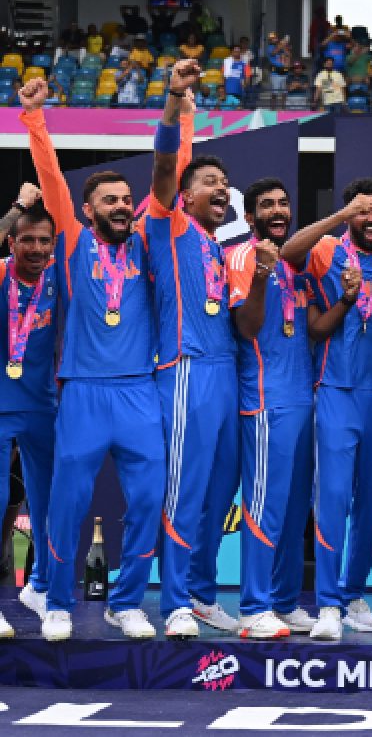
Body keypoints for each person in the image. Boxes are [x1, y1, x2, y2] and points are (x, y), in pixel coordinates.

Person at [20, 79, 165, 641]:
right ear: (87, 210)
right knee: (68, 501)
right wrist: (35, 118)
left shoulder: (149, 244)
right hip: (82, 389)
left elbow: (167, 179)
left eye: (126, 199)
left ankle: (125, 603)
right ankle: (56, 600)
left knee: (148, 498)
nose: (121, 206)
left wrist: (180, 111)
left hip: (138, 391)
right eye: (110, 200)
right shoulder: (74, 242)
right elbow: (52, 177)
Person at [279, 168, 372, 642]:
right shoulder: (329, 249)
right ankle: (328, 603)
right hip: (334, 389)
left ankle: (352, 596)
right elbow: (289, 253)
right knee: (332, 499)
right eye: (362, 210)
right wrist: (338, 215)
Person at [143, 62, 242, 639]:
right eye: (208, 181)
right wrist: (177, 98)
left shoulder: (216, 244)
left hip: (225, 373)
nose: (221, 188)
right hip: (184, 369)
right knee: (183, 491)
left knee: (218, 492)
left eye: (224, 183)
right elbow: (164, 166)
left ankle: (203, 594)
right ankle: (175, 600)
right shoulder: (169, 224)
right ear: (183, 196)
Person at [225, 179, 318, 639]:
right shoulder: (242, 256)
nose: (278, 211)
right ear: (250, 217)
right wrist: (262, 275)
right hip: (264, 401)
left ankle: (283, 601)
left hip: (302, 399)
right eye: (267, 205)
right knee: (264, 507)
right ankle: (253, 607)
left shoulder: (296, 263)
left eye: (283, 203)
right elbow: (246, 326)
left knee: (295, 509)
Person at [0, 183, 56, 638]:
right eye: (27, 240)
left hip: (44, 406)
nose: (36, 249)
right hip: (1, 404)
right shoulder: (0, 274)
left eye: (44, 241)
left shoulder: (59, 277)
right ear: (11, 242)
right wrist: (18, 207)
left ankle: (40, 586)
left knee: (50, 500)